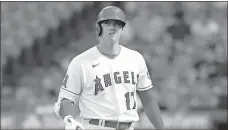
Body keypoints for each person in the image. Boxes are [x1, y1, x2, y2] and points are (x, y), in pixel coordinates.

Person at [54, 6, 164, 130]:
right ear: (98, 28)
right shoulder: (81, 62)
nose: (113, 27)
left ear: (123, 29)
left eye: (117, 24)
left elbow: (148, 100)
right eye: (107, 23)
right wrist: (68, 118)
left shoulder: (136, 58)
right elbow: (65, 99)